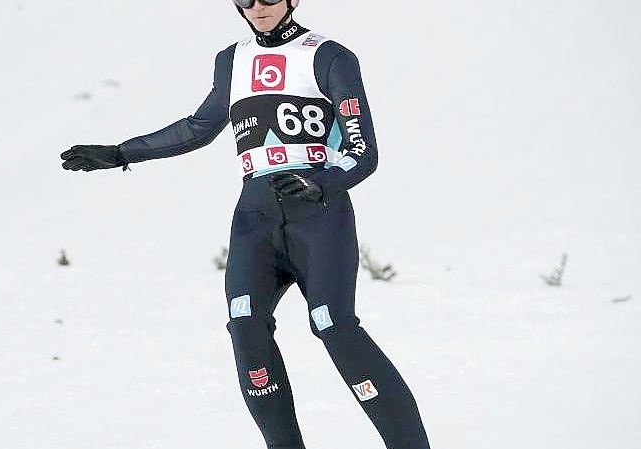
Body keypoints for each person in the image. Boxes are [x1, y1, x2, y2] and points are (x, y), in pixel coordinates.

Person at [61, 1, 431, 448]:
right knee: (245, 324)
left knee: (333, 325)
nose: (257, 7)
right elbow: (199, 127)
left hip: (317, 218)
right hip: (254, 219)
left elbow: (363, 152)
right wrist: (122, 153)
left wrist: (323, 184)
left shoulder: (328, 56)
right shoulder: (232, 59)